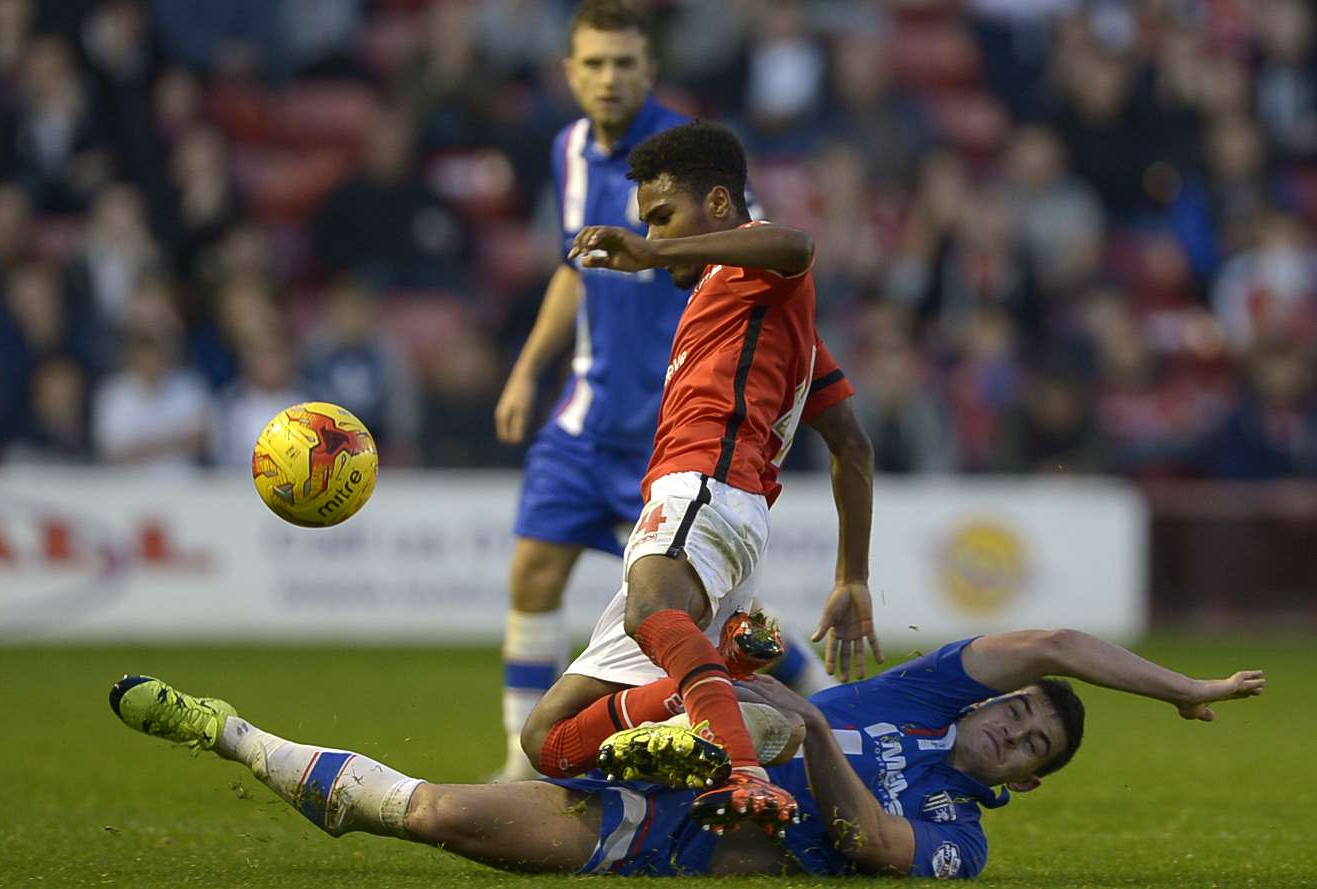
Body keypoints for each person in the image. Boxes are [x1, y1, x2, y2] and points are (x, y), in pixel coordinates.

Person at [107, 628, 1265, 877]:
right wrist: (1181, 688)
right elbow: (1055, 642)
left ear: (1017, 784)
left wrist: (812, 730)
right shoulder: (921, 692)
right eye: (1022, 712)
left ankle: (226, 730)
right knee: (734, 688)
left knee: (435, 817)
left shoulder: (959, 840)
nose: (1015, 728)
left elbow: (867, 840)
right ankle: (666, 694)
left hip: (685, 843)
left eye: (1031, 750)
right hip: (663, 767)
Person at [490, 0, 827, 782]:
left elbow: (768, 249)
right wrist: (525, 369)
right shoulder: (567, 151)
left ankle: (819, 711)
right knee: (533, 573)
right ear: (569, 71)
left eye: (623, 63)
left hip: (670, 428)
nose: (608, 78)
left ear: (650, 71)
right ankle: (519, 767)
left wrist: (650, 252)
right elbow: (573, 271)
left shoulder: (687, 160)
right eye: (593, 63)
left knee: (690, 614)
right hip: (585, 412)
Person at [518, 119, 877, 834]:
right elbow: (852, 447)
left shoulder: (761, 269)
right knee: (549, 742)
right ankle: (728, 675)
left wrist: (656, 251)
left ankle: (743, 769)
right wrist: (852, 576)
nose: (651, 230)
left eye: (661, 212)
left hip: (704, 488)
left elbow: (795, 245)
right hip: (711, 509)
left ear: (719, 202)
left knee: (650, 614)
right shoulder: (774, 322)